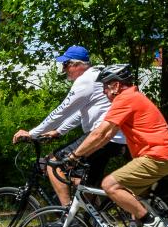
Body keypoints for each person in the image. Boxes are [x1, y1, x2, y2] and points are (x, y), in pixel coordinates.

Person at [68, 64, 168, 227]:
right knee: (134, 201)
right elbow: (106, 137)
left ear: (116, 85)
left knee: (109, 184)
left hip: (156, 157)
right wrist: (84, 154)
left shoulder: (125, 99)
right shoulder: (134, 97)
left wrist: (73, 156)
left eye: (106, 86)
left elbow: (99, 132)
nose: (104, 91)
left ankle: (151, 222)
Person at [12, 45, 125, 206]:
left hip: (101, 136)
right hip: (114, 139)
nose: (64, 69)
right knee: (83, 182)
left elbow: (61, 111)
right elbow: (79, 114)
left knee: (53, 162)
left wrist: (32, 133)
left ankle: (67, 217)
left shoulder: (85, 81)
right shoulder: (96, 77)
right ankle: (93, 226)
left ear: (77, 65)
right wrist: (58, 131)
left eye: (65, 65)